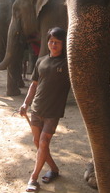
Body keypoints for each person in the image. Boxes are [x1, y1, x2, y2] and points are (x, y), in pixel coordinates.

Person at [19, 27, 71, 192]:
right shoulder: (41, 61)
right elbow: (33, 86)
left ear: (63, 44)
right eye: (51, 41)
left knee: (43, 142)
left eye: (57, 41)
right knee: (38, 143)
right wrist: (25, 104)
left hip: (52, 113)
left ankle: (33, 179)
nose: (53, 44)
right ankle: (54, 169)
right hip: (36, 109)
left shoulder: (68, 64)